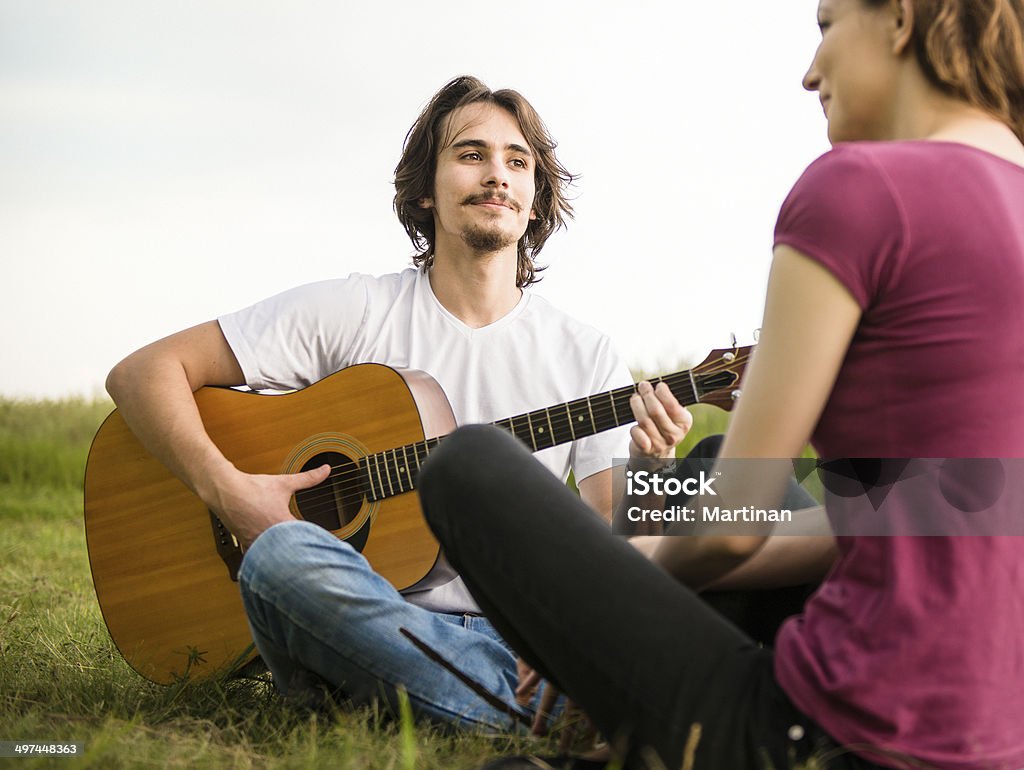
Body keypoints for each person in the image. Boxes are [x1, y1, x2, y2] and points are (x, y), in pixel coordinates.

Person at [417, 0, 1024, 767]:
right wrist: (629, 569)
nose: (811, 72)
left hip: (834, 735)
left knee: (467, 463)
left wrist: (594, 615)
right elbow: (891, 514)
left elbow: (733, 529)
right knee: (703, 472)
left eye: (826, 26)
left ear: (904, 14)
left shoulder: (859, 189)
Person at [104, 76, 674, 730]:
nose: (497, 176)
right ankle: (523, 710)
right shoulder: (354, 311)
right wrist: (228, 491)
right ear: (425, 189)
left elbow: (620, 545)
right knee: (279, 559)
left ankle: (395, 696)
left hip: (517, 642)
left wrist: (653, 469)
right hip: (369, 609)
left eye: (518, 163)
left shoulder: (585, 353)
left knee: (724, 528)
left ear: (537, 201)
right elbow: (143, 373)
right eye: (471, 155)